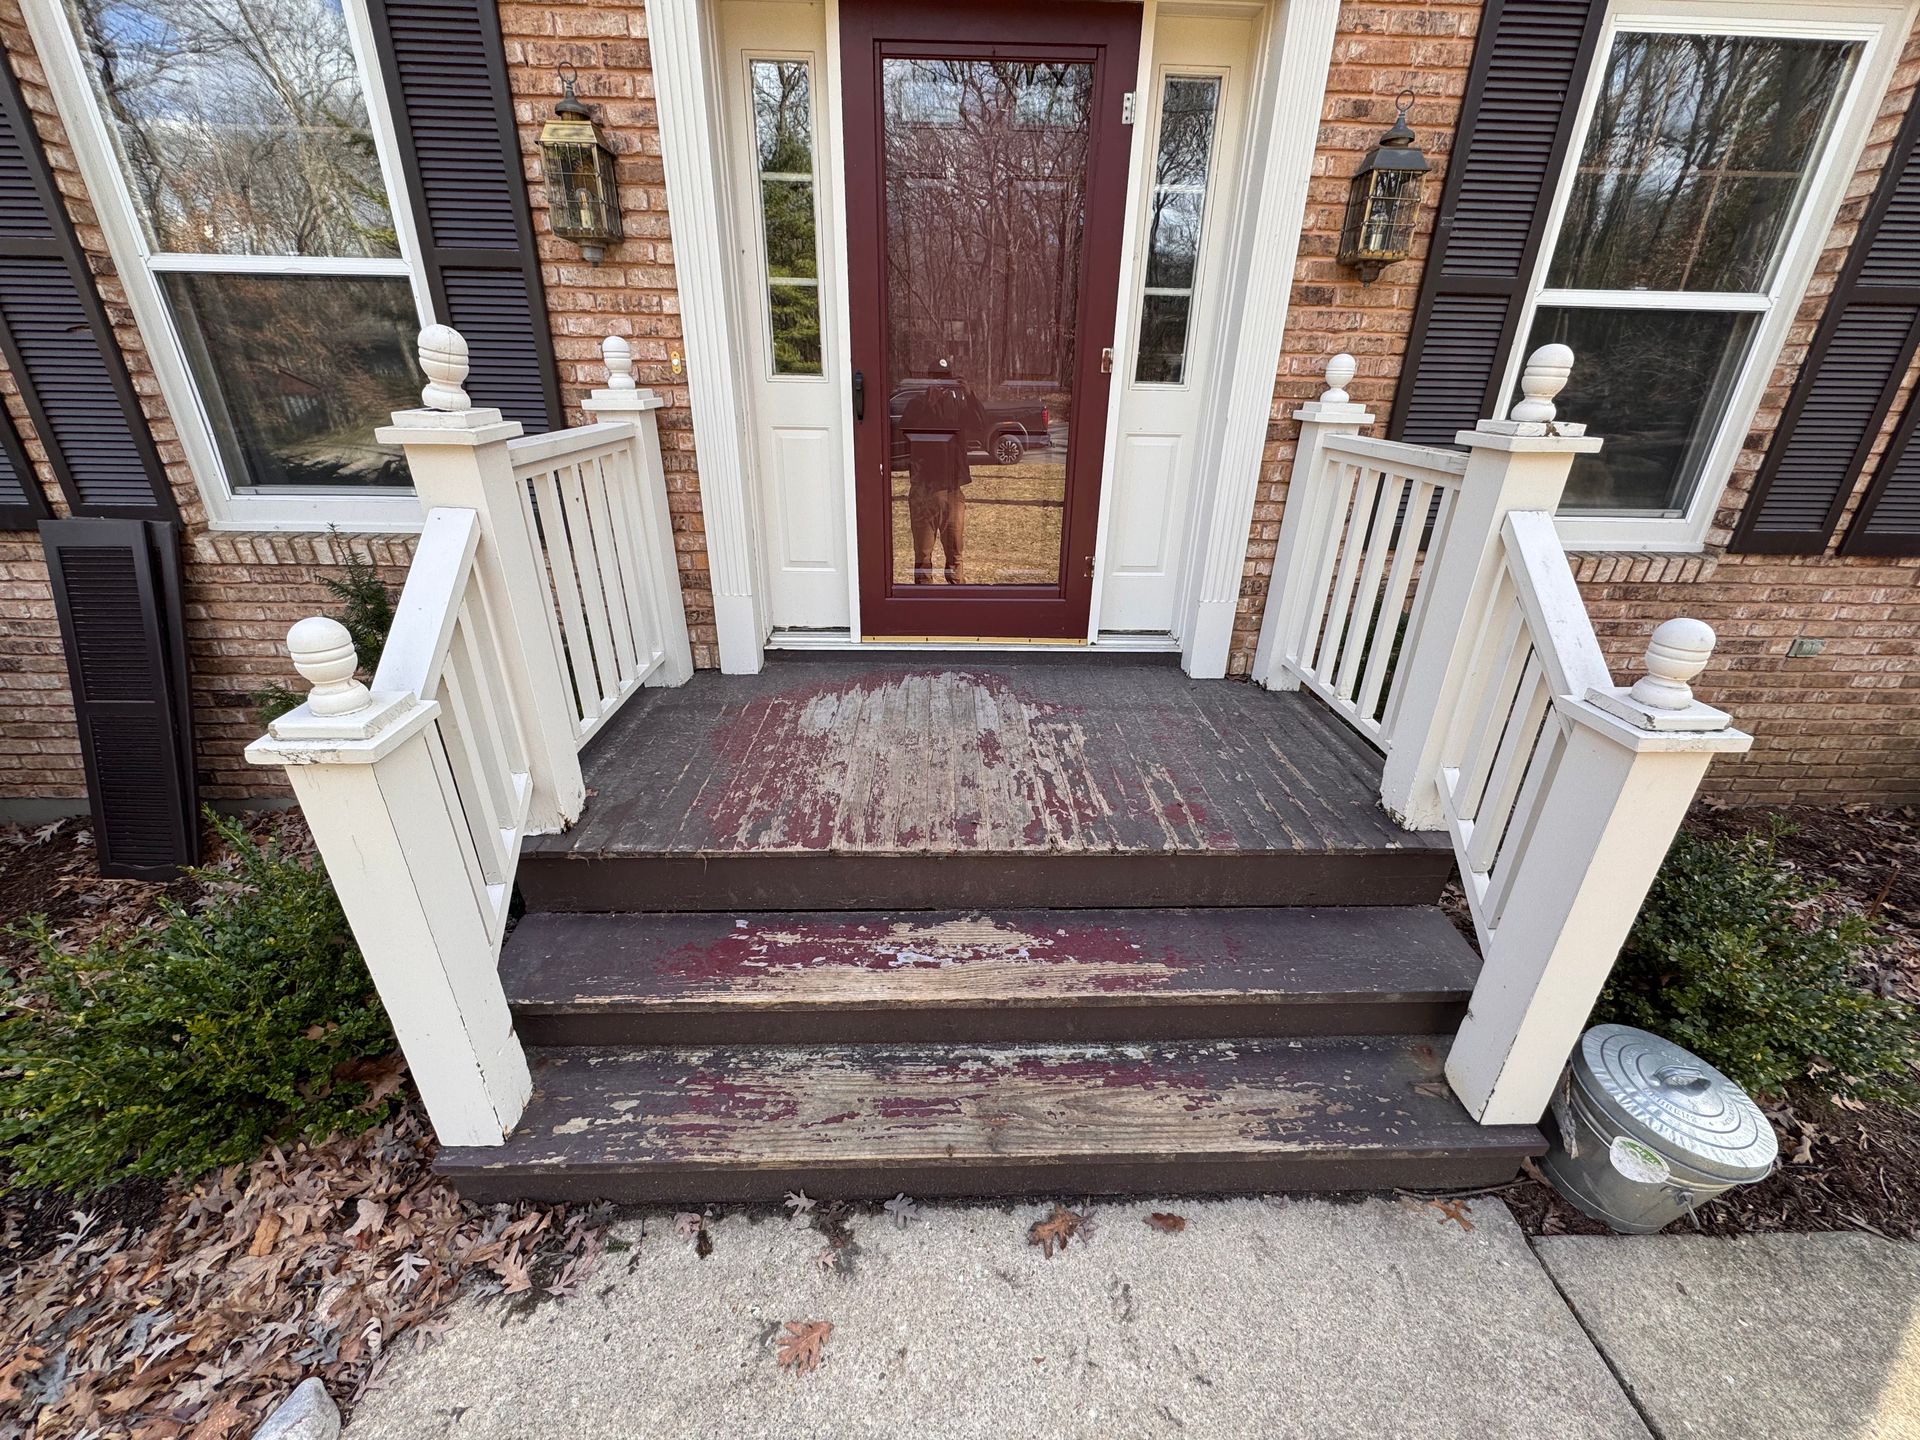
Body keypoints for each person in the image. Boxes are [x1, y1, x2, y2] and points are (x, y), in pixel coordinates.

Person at [898, 359, 989, 584]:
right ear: (928, 379)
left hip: (952, 489)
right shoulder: (917, 403)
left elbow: (980, 425)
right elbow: (905, 432)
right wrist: (928, 405)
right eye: (936, 377)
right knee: (922, 558)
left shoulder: (959, 404)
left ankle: (957, 597)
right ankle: (924, 600)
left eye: (946, 378)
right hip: (924, 489)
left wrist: (969, 394)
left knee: (955, 555)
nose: (941, 382)